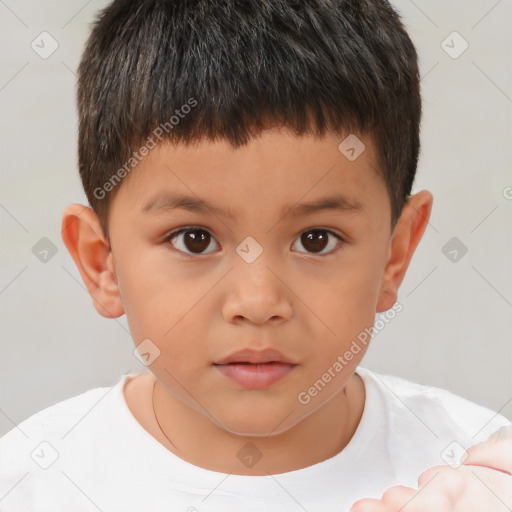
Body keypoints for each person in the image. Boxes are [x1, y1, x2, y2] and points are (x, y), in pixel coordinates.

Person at [1, 1, 510, 511]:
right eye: (194, 239)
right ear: (101, 263)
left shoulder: (480, 473)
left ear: (395, 255)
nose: (258, 301)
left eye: (316, 240)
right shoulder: (31, 483)